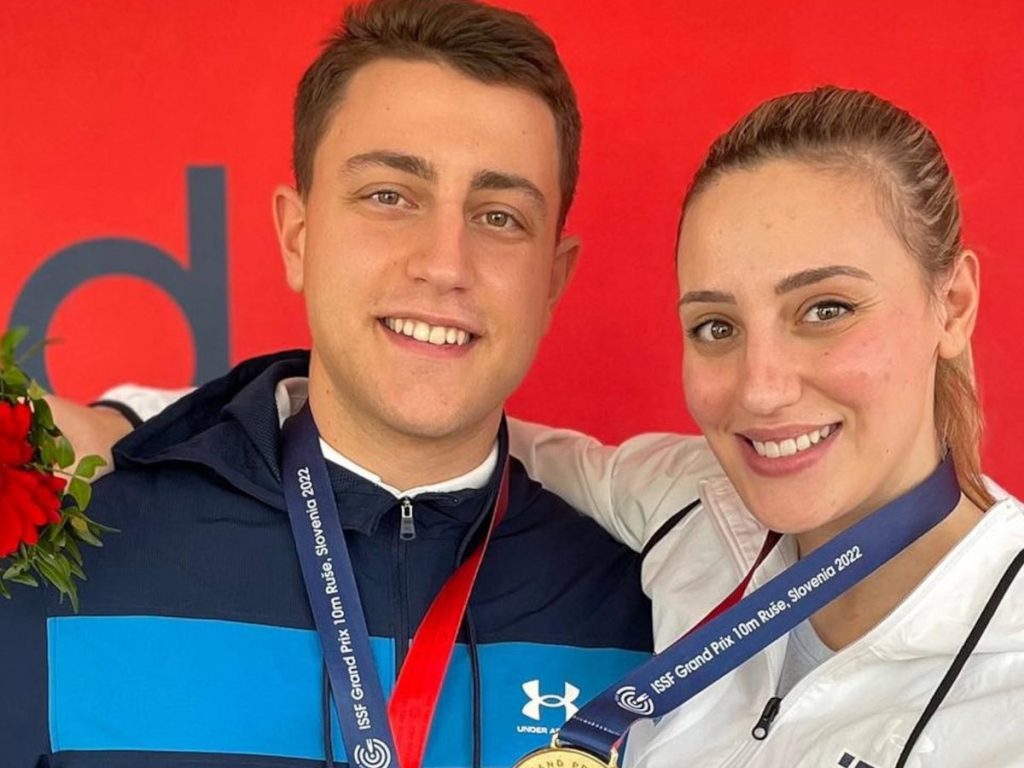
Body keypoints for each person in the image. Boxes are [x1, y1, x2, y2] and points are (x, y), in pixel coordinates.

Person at [1, 2, 653, 767]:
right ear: (297, 237)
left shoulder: (643, 607)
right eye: (389, 196)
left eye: (500, 216)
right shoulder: (72, 555)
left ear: (553, 282)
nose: (444, 264)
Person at [510, 87, 1024, 766]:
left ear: (952, 306)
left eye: (826, 309)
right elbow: (480, 444)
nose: (761, 389)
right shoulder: (692, 500)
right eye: (715, 326)